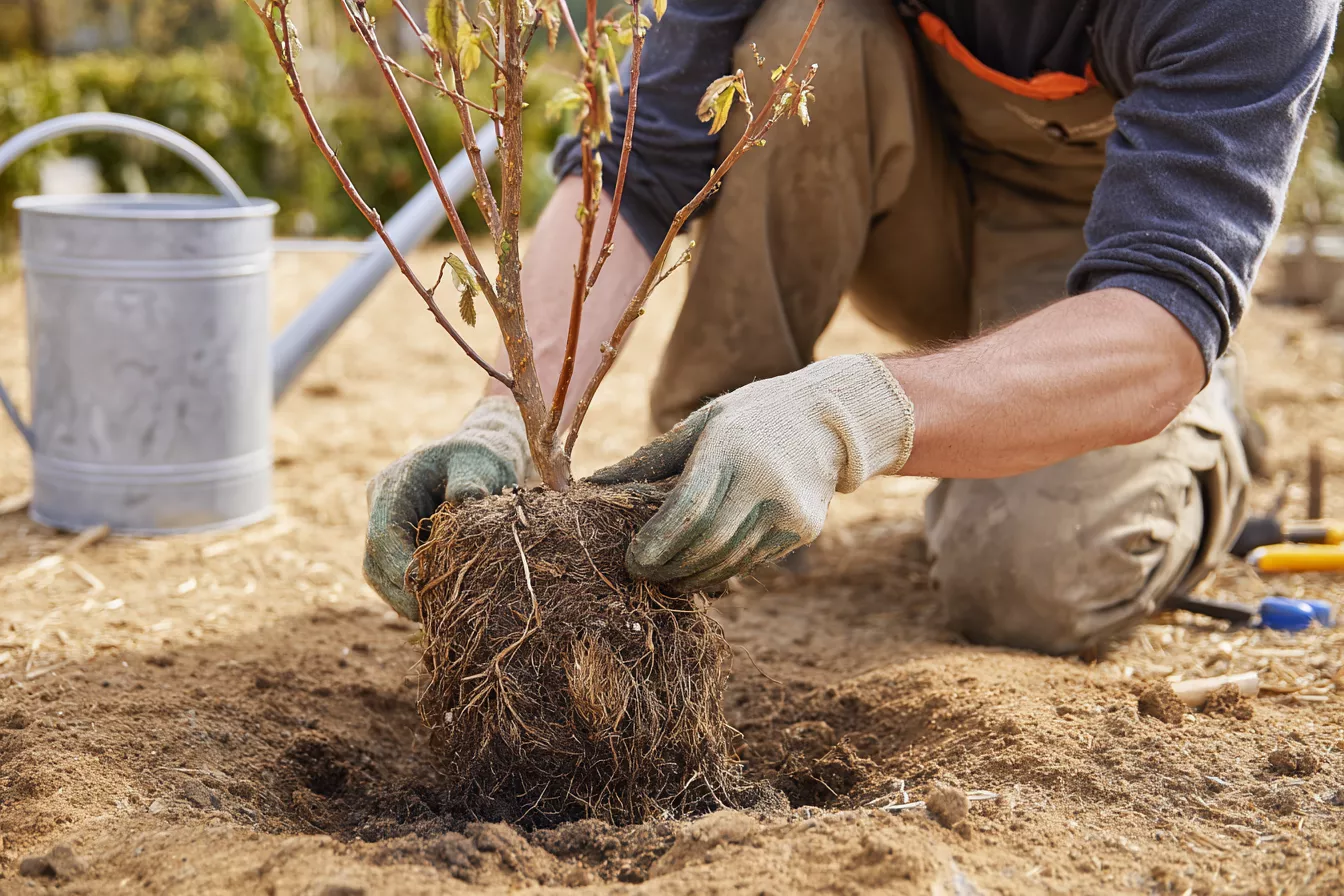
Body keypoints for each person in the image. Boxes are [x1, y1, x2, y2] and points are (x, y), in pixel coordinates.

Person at [363, 0, 1337, 654]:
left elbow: (1157, 311)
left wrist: (850, 413)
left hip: (1103, 266)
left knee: (1034, 576)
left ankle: (1207, 436)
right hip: (916, 192)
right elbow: (635, 164)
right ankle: (722, 469)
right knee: (800, 35)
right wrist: (505, 416)